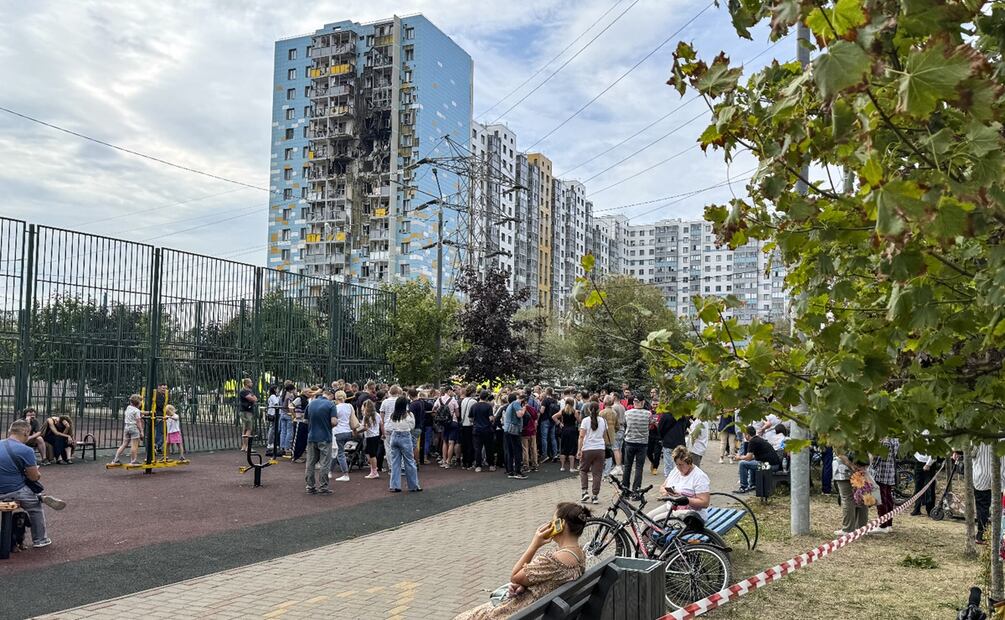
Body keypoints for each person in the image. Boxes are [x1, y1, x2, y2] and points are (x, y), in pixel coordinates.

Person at [453, 502, 589, 620]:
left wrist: (534, 544)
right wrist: (526, 585)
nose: (550, 525)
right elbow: (552, 580)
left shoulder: (552, 560)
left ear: (561, 525)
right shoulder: (580, 554)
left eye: (553, 521)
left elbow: (515, 576)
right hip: (544, 610)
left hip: (523, 613)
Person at [0, 420, 67, 549]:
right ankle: (40, 539)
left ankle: (40, 496)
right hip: (14, 491)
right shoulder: (26, 450)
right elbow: (34, 477)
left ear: (10, 431)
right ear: (25, 432)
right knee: (35, 508)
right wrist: (36, 472)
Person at [646, 446, 711, 526]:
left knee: (656, 520)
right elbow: (663, 486)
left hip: (691, 513)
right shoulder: (676, 470)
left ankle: (656, 538)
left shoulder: (699, 476)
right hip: (672, 507)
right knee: (647, 518)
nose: (679, 468)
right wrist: (665, 491)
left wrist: (685, 499)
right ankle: (641, 538)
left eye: (681, 464)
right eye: (677, 464)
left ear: (689, 462)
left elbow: (705, 503)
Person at [304, 387, 337, 495]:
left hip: (311, 436)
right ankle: (323, 487)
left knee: (310, 463)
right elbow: (333, 422)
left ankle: (310, 486)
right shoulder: (331, 405)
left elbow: (305, 420)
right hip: (325, 437)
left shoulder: (311, 403)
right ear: (331, 396)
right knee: (324, 463)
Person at [386, 396, 421, 493]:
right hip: (405, 436)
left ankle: (394, 485)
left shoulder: (393, 415)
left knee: (395, 462)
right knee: (409, 461)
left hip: (394, 436)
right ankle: (414, 485)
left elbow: (388, 427)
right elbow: (412, 426)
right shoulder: (409, 415)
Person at [736, 425, 781, 493]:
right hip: (774, 465)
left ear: (747, 435)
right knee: (752, 463)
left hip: (769, 466)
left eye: (744, 435)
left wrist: (738, 457)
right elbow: (753, 457)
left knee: (742, 464)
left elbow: (748, 458)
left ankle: (743, 487)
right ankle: (753, 484)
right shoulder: (758, 439)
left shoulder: (752, 441)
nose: (744, 436)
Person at [577, 402, 607, 505]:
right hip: (600, 449)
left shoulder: (585, 421)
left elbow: (581, 436)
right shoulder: (603, 421)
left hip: (588, 448)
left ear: (589, 410)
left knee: (583, 470)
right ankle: (595, 496)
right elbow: (603, 436)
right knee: (597, 473)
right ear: (599, 410)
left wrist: (579, 450)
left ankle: (584, 491)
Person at [833, 452, 870, 535]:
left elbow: (839, 452)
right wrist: (864, 468)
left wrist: (851, 465)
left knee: (847, 498)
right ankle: (862, 528)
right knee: (862, 497)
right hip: (862, 467)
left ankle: (848, 529)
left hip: (844, 469)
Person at [870, 437, 900, 535]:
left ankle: (882, 525)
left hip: (880, 473)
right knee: (888, 499)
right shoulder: (895, 440)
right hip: (889, 473)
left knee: (881, 500)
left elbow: (876, 460)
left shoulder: (884, 442)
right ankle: (889, 524)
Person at [620, 397, 650, 491]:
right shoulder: (648, 414)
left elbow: (624, 424)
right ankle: (636, 489)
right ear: (643, 402)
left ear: (634, 402)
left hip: (629, 442)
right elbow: (650, 424)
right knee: (639, 467)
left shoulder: (627, 413)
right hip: (642, 443)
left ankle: (625, 488)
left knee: (627, 466)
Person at [110, 395, 144, 466]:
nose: (141, 403)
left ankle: (115, 459)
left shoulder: (128, 408)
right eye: (141, 401)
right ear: (138, 403)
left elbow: (136, 414)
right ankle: (133, 461)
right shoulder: (137, 411)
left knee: (124, 444)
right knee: (134, 445)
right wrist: (141, 431)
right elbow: (138, 422)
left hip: (127, 427)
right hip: (134, 428)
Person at [331, 390, 356, 482]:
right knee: (337, 452)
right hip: (348, 431)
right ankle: (329, 471)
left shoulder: (335, 407)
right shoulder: (349, 406)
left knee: (339, 453)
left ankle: (345, 474)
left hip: (338, 432)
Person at [973, 443, 995, 544]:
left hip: (981, 475)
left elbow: (972, 453)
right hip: (998, 475)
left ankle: (981, 534)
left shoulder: (978, 437)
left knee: (982, 507)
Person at [657, 411, 690, 478]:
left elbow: (660, 428)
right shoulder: (684, 415)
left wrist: (662, 437)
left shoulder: (666, 416)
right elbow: (686, 427)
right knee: (680, 464)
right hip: (680, 443)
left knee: (668, 465)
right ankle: (679, 480)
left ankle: (669, 482)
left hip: (668, 442)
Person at [434, 386, 460, 468]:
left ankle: (444, 460)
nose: (453, 392)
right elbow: (458, 414)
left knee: (444, 442)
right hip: (453, 422)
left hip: (443, 423)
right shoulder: (453, 400)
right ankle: (449, 461)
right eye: (452, 391)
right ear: (449, 391)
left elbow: (433, 410)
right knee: (451, 442)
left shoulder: (439, 399)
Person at [471, 390, 496, 472]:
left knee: (478, 448)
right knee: (489, 448)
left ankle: (478, 466)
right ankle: (491, 465)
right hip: (487, 429)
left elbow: (471, 418)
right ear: (486, 397)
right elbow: (491, 418)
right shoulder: (488, 406)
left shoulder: (474, 406)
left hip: (477, 429)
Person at [910, 439, 937, 517]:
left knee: (929, 488)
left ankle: (930, 510)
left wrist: (928, 464)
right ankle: (917, 508)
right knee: (918, 486)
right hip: (919, 461)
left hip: (929, 463)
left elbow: (934, 451)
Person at [504, 393, 526, 479]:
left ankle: (510, 471)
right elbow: (519, 414)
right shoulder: (515, 403)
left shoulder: (509, 405)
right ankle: (518, 472)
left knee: (510, 452)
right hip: (514, 430)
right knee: (517, 451)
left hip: (507, 430)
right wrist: (524, 409)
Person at [554, 398, 579, 473]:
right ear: (573, 403)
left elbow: (554, 417)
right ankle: (571, 468)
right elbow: (579, 420)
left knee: (563, 447)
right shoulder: (575, 411)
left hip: (564, 430)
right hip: (572, 430)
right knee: (572, 448)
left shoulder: (562, 410)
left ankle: (562, 467)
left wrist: (559, 423)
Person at [360, 400, 383, 479]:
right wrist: (383, 434)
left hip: (370, 437)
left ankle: (374, 471)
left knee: (371, 454)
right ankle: (373, 469)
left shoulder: (366, 416)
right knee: (369, 453)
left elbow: (365, 428)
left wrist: (357, 431)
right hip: (376, 435)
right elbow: (381, 425)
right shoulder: (377, 414)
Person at [538, 388, 560, 463]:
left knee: (544, 438)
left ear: (546, 392)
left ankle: (545, 455)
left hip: (545, 420)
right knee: (553, 438)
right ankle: (555, 454)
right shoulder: (555, 400)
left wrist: (539, 408)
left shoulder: (545, 400)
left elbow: (542, 411)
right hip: (552, 421)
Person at [237, 378, 258, 452]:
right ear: (247, 384)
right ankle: (247, 447)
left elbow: (255, 398)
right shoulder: (244, 391)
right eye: (251, 382)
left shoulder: (249, 391)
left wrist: (253, 398)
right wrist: (253, 399)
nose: (252, 384)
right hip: (246, 411)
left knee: (245, 428)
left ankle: (244, 446)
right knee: (249, 428)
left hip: (247, 411)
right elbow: (253, 399)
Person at [521, 393, 540, 473]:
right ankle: (535, 465)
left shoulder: (522, 410)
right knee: (533, 448)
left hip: (524, 431)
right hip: (532, 431)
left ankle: (526, 465)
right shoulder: (532, 409)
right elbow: (536, 419)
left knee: (525, 449)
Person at [460, 384, 477, 470]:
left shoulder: (463, 400)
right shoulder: (473, 401)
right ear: (473, 392)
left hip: (463, 424)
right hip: (470, 425)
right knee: (471, 444)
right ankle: (470, 462)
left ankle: (464, 462)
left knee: (465, 444)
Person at [279, 383, 296, 456]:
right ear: (292, 389)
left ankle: (282, 446)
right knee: (289, 431)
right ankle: (287, 447)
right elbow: (290, 405)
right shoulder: (290, 395)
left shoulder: (282, 394)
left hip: (282, 413)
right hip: (288, 414)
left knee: (283, 431)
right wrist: (293, 414)